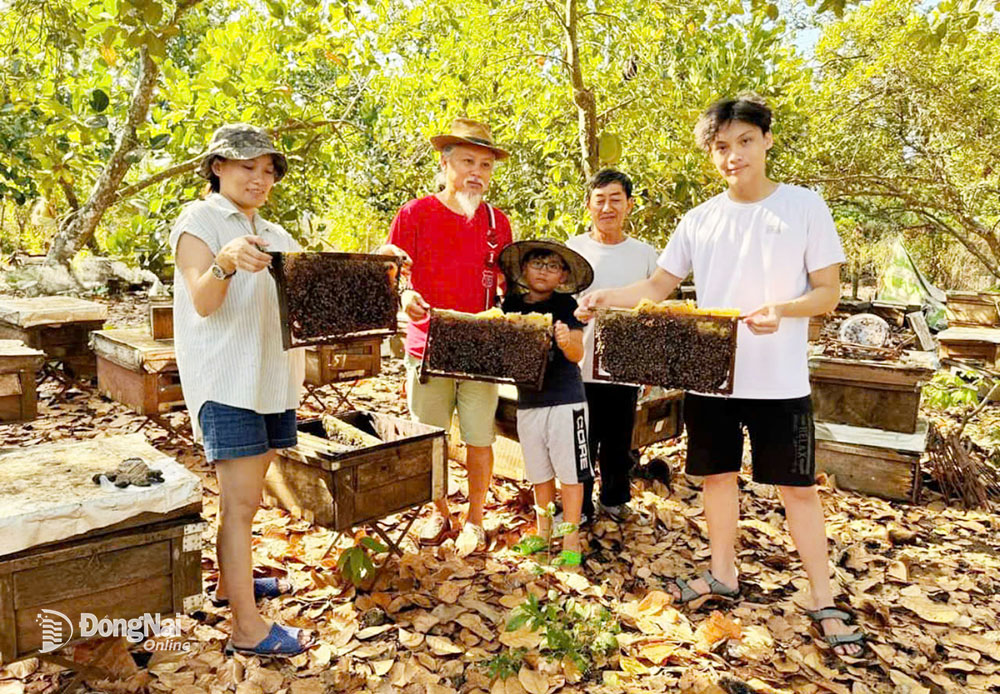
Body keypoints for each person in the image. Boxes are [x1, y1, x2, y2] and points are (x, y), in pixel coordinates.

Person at [577, 95, 865, 657]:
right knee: (716, 478)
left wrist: (783, 310)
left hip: (780, 380)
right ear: (712, 154)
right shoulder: (699, 219)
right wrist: (606, 296)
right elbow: (656, 289)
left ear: (766, 141)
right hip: (711, 377)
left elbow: (827, 293)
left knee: (798, 489)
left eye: (744, 142)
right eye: (721, 146)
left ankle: (822, 596)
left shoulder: (804, 207)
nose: (733, 155)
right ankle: (722, 573)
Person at [171, 123, 314, 658]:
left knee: (244, 504)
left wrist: (384, 264)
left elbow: (313, 284)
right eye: (247, 167)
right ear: (218, 168)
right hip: (227, 381)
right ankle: (247, 630)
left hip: (271, 379)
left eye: (268, 170)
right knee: (242, 500)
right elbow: (203, 300)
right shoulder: (198, 220)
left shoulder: (276, 234)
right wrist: (225, 261)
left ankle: (232, 584)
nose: (260, 178)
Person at [380, 118, 513, 552]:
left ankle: (475, 517)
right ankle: (439, 514)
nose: (477, 172)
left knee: (479, 436)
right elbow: (394, 270)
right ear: (445, 163)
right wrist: (405, 295)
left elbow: (507, 286)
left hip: (481, 349)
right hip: (427, 342)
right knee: (428, 437)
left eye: (486, 164)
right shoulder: (415, 214)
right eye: (468, 161)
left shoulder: (498, 223)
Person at [567, 169, 659, 524]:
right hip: (579, 361)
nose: (607, 207)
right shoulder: (574, 249)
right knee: (581, 439)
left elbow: (653, 313)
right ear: (588, 205)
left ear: (629, 205)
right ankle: (580, 506)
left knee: (619, 439)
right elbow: (561, 305)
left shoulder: (645, 254)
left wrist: (649, 365)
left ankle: (615, 499)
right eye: (600, 200)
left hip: (625, 367)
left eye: (615, 199)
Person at [499, 240, 594, 568]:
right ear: (524, 269)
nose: (544, 270)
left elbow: (577, 354)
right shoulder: (510, 304)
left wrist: (566, 342)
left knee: (570, 474)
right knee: (539, 473)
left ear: (563, 274)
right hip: (528, 401)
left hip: (565, 400)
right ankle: (542, 532)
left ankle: (570, 538)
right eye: (538, 263)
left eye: (552, 266)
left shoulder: (567, 305)